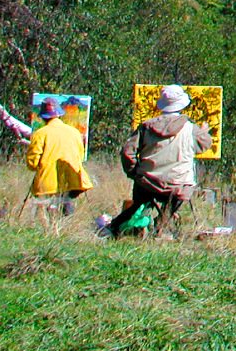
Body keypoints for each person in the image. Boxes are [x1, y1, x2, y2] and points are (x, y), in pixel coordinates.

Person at [105, 84, 212, 238]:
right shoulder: (191, 129)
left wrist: (134, 172)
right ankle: (161, 226)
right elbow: (205, 145)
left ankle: (116, 227)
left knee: (139, 203)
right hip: (178, 184)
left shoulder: (147, 127)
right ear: (182, 105)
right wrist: (203, 132)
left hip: (147, 182)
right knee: (180, 195)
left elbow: (127, 152)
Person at [25, 97, 94, 218]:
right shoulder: (74, 132)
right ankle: (68, 228)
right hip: (73, 180)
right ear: (60, 114)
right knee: (66, 205)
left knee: (43, 212)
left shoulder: (40, 134)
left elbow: (32, 163)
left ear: (43, 117)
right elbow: (81, 156)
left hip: (47, 183)